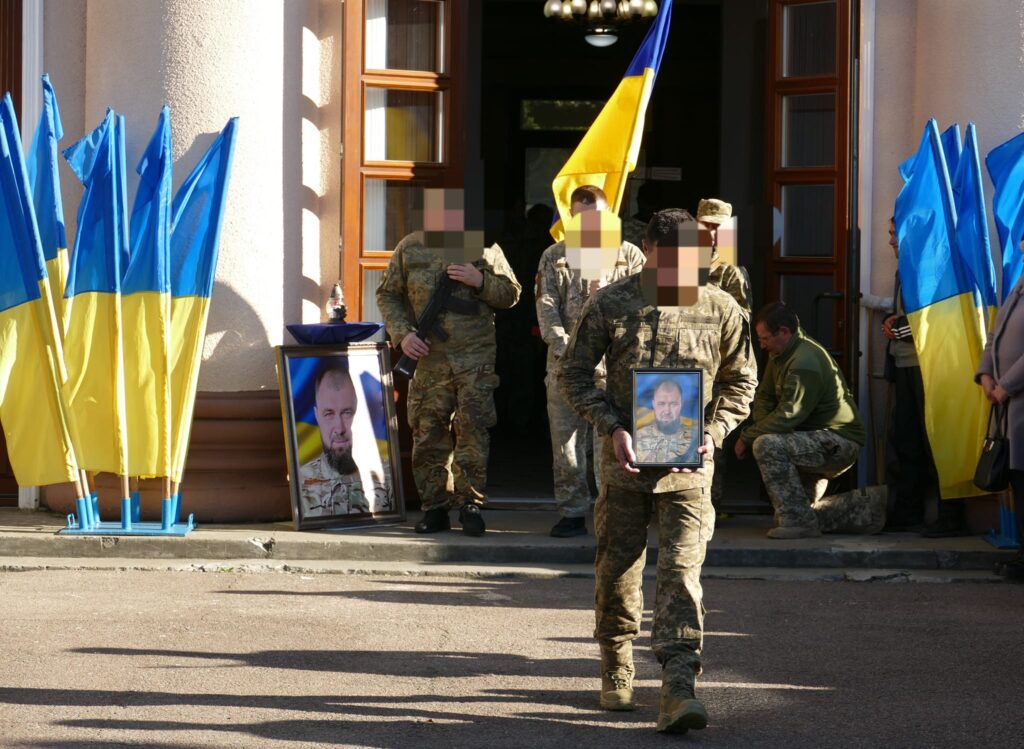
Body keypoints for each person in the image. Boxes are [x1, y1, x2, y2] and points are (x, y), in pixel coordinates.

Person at [559, 208, 757, 733]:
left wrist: (714, 434)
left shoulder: (720, 307)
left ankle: (678, 683)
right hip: (625, 467)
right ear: (647, 250)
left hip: (690, 473)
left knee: (681, 574)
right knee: (618, 567)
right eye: (670, 261)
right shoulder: (612, 303)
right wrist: (611, 426)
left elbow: (742, 383)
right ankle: (616, 664)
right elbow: (574, 375)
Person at [376, 188, 521, 536]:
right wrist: (402, 335)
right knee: (428, 434)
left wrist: (481, 281)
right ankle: (434, 507)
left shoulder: (484, 248)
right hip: (428, 360)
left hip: (475, 359)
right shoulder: (410, 248)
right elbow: (387, 294)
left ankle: (470, 505)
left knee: (472, 432)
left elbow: (512, 294)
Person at [536, 185, 645, 537]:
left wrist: (608, 294)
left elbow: (646, 306)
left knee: (610, 443)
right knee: (566, 444)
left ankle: (610, 510)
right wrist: (569, 351)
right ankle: (572, 512)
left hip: (613, 369)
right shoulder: (556, 256)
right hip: (567, 367)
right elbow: (547, 309)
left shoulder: (627, 255)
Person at [735, 302, 884, 539]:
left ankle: (799, 523)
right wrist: (762, 428)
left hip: (837, 443)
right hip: (810, 438)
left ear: (784, 332)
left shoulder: (804, 362)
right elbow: (764, 397)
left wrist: (750, 436)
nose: (761, 345)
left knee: (767, 446)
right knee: (790, 511)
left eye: (765, 339)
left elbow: (788, 416)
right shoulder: (781, 354)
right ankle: (867, 508)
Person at [880, 217, 968, 535]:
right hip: (905, 364)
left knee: (937, 442)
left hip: (931, 368)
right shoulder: (907, 267)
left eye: (894, 234)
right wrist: (893, 322)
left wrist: (897, 326)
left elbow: (935, 317)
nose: (890, 240)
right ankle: (909, 510)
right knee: (908, 441)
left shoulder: (931, 266)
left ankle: (950, 515)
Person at [697, 198, 751, 517]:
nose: (712, 234)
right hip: (683, 363)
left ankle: (710, 506)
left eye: (719, 228)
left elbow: (742, 318)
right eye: (707, 226)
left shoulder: (730, 271)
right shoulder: (677, 262)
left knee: (711, 436)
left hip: (716, 365)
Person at [977, 250, 1024, 580]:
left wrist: (1005, 385)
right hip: (1009, 407)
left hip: (1017, 400)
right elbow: (995, 335)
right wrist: (985, 374)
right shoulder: (1020, 285)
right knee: (1019, 483)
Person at [299, 365, 370, 517]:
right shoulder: (301, 480)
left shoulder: (388, 475)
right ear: (317, 416)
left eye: (347, 413)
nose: (339, 428)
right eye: (329, 413)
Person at [633, 377, 698, 464]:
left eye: (673, 404)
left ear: (681, 404)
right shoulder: (637, 437)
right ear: (653, 404)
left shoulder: (696, 438)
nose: (667, 411)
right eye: (661, 403)